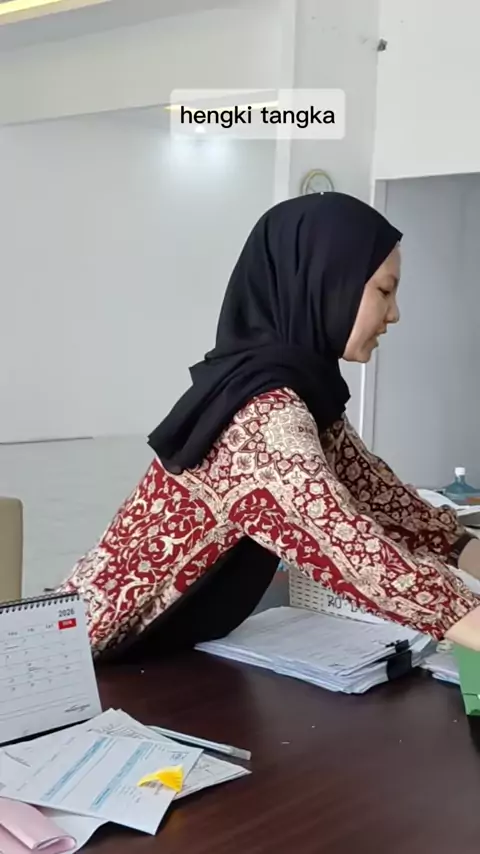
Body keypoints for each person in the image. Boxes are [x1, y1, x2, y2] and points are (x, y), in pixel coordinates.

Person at [59, 191, 480, 662]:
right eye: (384, 290)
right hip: (81, 663)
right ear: (326, 283)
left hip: (160, 655)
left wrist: (462, 547)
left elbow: (390, 505)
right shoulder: (260, 419)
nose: (395, 313)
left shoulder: (300, 397)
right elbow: (356, 554)